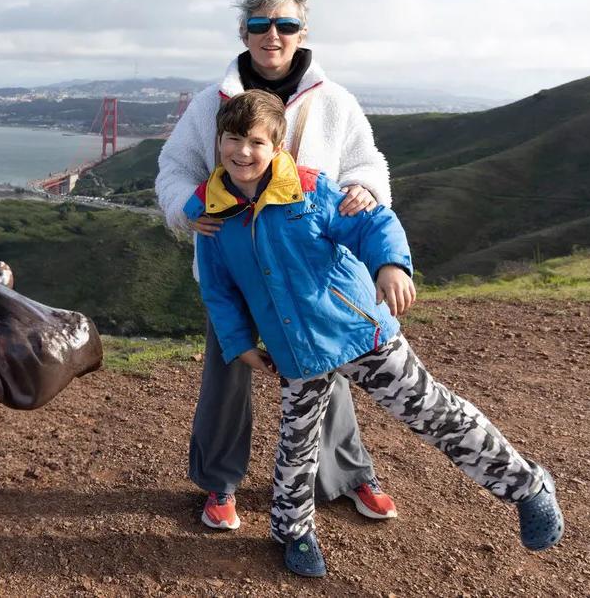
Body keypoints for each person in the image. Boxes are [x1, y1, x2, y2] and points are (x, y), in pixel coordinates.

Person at [186, 89, 564, 577]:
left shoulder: (309, 189)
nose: (242, 151)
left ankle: (527, 486)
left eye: (256, 141)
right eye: (233, 139)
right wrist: (239, 345)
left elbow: (373, 223)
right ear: (218, 141)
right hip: (297, 351)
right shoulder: (212, 212)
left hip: (361, 333)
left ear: (277, 146)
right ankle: (293, 531)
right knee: (297, 445)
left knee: (434, 413)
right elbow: (218, 290)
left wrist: (390, 265)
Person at [156, 0, 395, 530]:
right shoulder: (208, 104)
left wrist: (367, 191)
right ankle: (219, 483)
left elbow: (367, 163)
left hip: (313, 271)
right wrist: (183, 210)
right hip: (235, 266)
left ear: (301, 33)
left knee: (327, 370)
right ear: (243, 32)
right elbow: (174, 169)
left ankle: (345, 473)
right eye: (260, 25)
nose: (273, 35)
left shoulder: (335, 101)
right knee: (227, 373)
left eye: (285, 25)